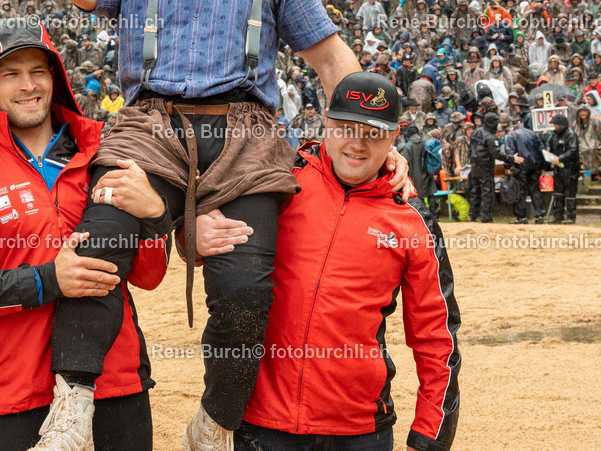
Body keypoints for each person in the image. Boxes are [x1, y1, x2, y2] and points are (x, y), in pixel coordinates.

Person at [37, 0, 409, 448]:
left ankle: (215, 421)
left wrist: (371, 132)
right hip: (150, 126)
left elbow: (328, 59)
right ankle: (72, 403)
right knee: (100, 242)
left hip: (248, 136)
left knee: (245, 290)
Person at [0, 19, 170, 451]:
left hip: (116, 381)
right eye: (11, 74)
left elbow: (149, 276)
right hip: (15, 392)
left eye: (38, 71)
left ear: (56, 78)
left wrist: (156, 215)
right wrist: (47, 280)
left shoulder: (105, 154)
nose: (27, 85)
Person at [196, 72, 460, 451]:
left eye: (373, 133)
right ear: (326, 122)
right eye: (346, 128)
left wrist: (430, 439)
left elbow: (437, 337)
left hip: (360, 431)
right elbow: (204, 220)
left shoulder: (413, 220)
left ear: (394, 137)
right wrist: (191, 232)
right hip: (261, 423)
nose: (357, 143)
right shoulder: (280, 180)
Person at [499, 119, 547, 224]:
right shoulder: (533, 133)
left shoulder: (512, 135)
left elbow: (510, 152)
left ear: (513, 126)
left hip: (520, 166)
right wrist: (543, 165)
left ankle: (521, 217)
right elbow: (541, 149)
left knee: (520, 191)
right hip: (535, 165)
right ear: (522, 124)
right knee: (535, 190)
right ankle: (540, 215)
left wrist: (508, 166)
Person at [547, 114, 580, 224]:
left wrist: (560, 158)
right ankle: (558, 216)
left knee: (570, 193)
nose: (554, 126)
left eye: (556, 124)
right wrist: (548, 151)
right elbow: (550, 144)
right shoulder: (554, 134)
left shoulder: (571, 135)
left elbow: (573, 150)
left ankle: (571, 216)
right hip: (558, 167)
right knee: (558, 193)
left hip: (570, 167)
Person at [467, 112, 499, 222]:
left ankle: (472, 215)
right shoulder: (490, 136)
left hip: (475, 166)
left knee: (475, 191)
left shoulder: (475, 132)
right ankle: (486, 217)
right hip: (485, 167)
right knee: (487, 192)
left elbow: (470, 149)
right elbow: (497, 153)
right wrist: (512, 159)